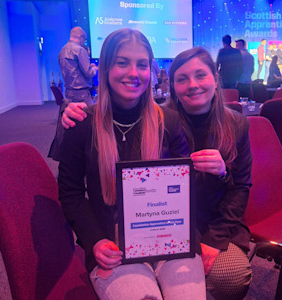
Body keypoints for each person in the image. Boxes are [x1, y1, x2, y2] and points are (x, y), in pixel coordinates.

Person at [62, 46, 253, 299]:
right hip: (139, 233)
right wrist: (95, 239)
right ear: (171, 85)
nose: (193, 85)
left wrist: (222, 174)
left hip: (190, 229)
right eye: (182, 79)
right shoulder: (166, 119)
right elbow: (72, 192)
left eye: (201, 75)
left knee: (229, 277)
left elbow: (238, 186)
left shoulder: (233, 124)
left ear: (215, 78)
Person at [58, 28, 206, 300]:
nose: (133, 73)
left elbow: (186, 188)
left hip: (169, 239)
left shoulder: (168, 121)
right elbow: (71, 193)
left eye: (141, 65)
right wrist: (94, 241)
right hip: (112, 243)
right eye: (122, 62)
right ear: (104, 68)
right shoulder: (82, 125)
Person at [59, 26, 98, 106]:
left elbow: (73, 69)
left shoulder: (62, 51)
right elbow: (89, 73)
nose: (84, 42)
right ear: (80, 37)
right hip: (81, 93)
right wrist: (94, 68)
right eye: (84, 39)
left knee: (74, 116)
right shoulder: (80, 50)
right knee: (90, 116)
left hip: (69, 92)